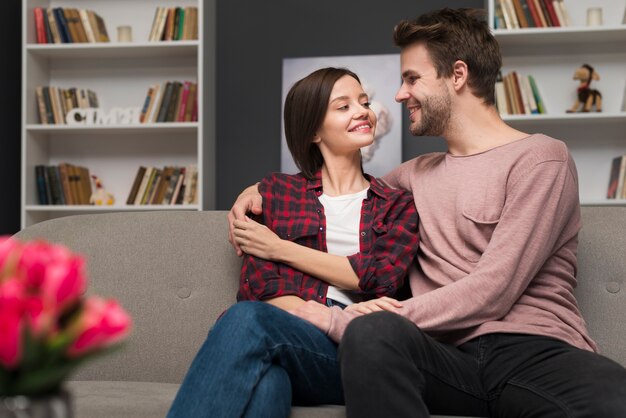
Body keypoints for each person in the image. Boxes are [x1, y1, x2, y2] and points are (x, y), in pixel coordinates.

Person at [228, 8, 626, 418]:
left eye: (412, 79)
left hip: (531, 349)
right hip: (441, 355)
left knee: (615, 398)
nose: (399, 95)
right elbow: (340, 182)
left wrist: (340, 321)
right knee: (374, 335)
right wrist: (260, 191)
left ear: (457, 75)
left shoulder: (541, 159)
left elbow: (494, 288)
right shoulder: (412, 177)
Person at [167, 67, 418, 417]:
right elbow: (259, 288)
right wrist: (317, 312)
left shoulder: (398, 204)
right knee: (268, 380)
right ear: (314, 130)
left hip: (354, 354)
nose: (362, 111)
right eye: (343, 106)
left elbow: (380, 277)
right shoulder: (277, 193)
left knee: (247, 320)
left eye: (363, 102)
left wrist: (279, 248)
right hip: (290, 339)